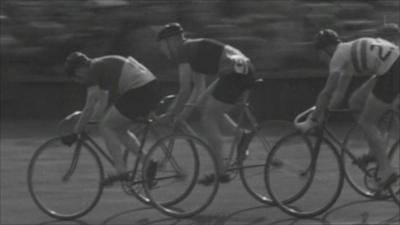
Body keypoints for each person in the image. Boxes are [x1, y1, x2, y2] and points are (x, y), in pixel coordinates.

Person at [296, 29, 399, 189]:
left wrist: (312, 120)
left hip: (392, 70)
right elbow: (338, 94)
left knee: (366, 122)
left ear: (326, 49)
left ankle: (386, 171)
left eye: (320, 53)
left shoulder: (338, 56)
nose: (320, 58)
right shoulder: (347, 52)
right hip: (390, 67)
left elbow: (327, 91)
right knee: (355, 101)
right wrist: (325, 113)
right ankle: (375, 150)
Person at [156, 23, 255, 185]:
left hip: (233, 71)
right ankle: (242, 137)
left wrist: (170, 114)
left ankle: (221, 170)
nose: (162, 50)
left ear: (172, 41)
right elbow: (198, 89)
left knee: (208, 116)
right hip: (242, 68)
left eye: (162, 45)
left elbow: (184, 90)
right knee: (207, 107)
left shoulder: (184, 51)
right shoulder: (193, 50)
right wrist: (182, 116)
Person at [64, 52, 160, 187]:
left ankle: (122, 172)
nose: (79, 81)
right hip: (149, 87)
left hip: (139, 90)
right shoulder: (101, 65)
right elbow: (102, 103)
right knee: (119, 129)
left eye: (76, 77)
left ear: (80, 69)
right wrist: (88, 125)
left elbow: (90, 105)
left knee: (106, 126)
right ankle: (149, 163)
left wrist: (75, 132)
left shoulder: (93, 69)